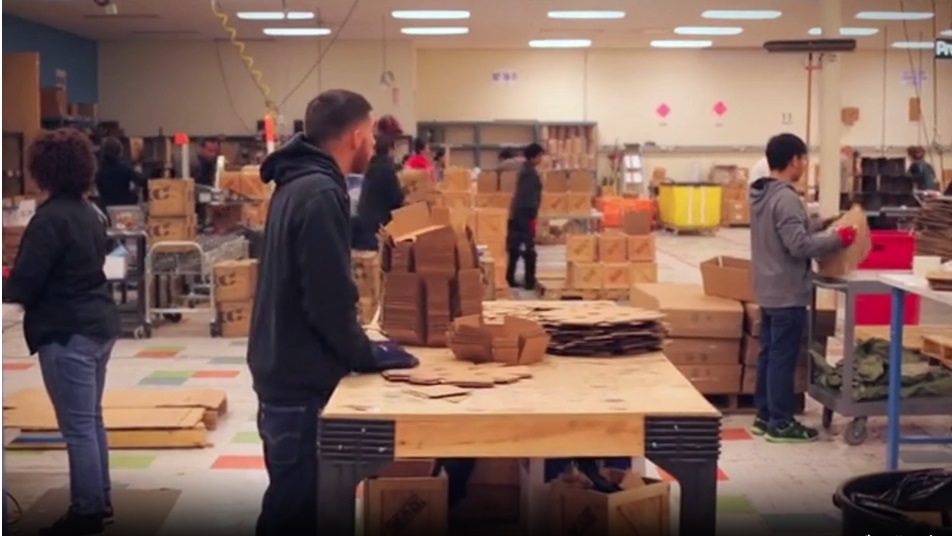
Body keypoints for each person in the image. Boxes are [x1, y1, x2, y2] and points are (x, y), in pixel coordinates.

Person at [247, 89, 380, 536]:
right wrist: (367, 354)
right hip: (299, 384)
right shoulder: (321, 191)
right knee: (297, 514)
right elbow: (327, 298)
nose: (376, 147)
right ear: (356, 136)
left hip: (282, 370)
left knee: (298, 508)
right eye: (374, 135)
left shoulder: (296, 183)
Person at [3, 128, 120, 536]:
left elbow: (26, 282)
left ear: (43, 169)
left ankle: (86, 512)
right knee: (91, 419)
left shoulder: (49, 219)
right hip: (98, 325)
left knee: (78, 426)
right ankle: (99, 498)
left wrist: (8, 283)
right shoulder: (91, 212)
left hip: (66, 330)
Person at [748, 133, 856, 443]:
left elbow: (788, 230)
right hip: (786, 291)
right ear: (794, 160)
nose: (805, 166)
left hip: (767, 290)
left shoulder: (762, 194)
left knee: (769, 354)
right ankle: (781, 422)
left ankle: (765, 416)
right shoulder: (786, 197)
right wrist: (839, 239)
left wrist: (823, 223)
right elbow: (798, 246)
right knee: (782, 357)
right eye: (804, 160)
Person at [352, 137, 405, 250]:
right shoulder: (387, 169)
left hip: (365, 224)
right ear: (390, 150)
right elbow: (396, 199)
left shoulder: (371, 168)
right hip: (379, 227)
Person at [506, 143, 545, 290]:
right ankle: (529, 280)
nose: (542, 158)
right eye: (540, 155)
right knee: (529, 249)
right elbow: (527, 197)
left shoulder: (525, 170)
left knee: (515, 247)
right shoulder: (530, 173)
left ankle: (510, 277)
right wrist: (532, 214)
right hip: (524, 214)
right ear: (534, 156)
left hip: (518, 213)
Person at [95, 137, 144, 207]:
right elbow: (140, 180)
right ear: (119, 151)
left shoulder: (99, 168)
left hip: (106, 206)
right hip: (124, 206)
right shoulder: (124, 167)